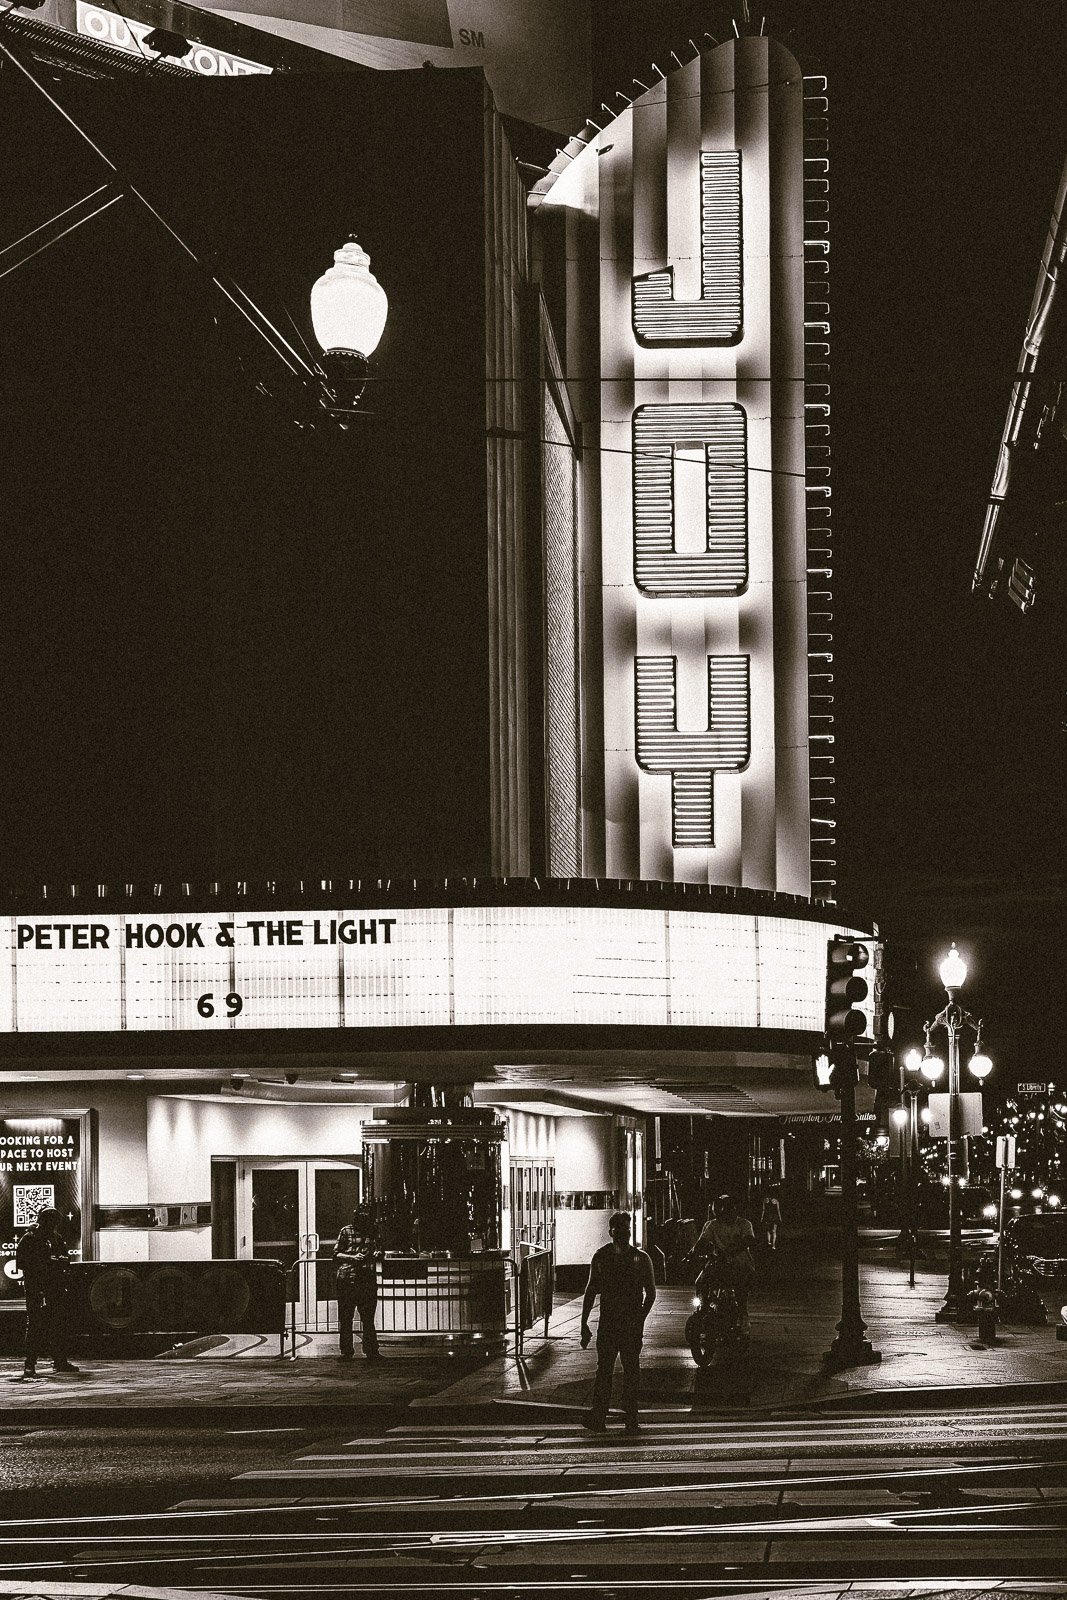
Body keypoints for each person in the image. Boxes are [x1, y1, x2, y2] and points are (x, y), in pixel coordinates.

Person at [579, 1211, 656, 1434]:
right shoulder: (639, 1259)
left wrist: (584, 1323)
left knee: (608, 1370)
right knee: (628, 1370)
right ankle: (628, 1418)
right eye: (622, 1229)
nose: (626, 1233)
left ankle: (603, 1415)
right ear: (612, 1231)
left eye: (627, 1229)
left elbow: (591, 1290)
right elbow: (650, 1293)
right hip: (622, 1323)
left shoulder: (604, 1257)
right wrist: (640, 1318)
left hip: (613, 1322)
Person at [15, 1207, 78, 1378]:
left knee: (58, 1324)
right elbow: (20, 1262)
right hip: (37, 1287)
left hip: (54, 1286)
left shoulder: (56, 1238)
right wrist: (43, 1263)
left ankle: (60, 1361)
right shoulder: (30, 1238)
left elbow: (65, 1258)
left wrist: (58, 1261)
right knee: (35, 1325)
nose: (52, 1225)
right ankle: (30, 1364)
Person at [690, 1193, 756, 1332]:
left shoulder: (744, 1224)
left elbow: (748, 1240)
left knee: (741, 1291)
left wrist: (732, 1251)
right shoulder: (712, 1225)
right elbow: (703, 1241)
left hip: (740, 1265)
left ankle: (743, 1315)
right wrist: (693, 1252)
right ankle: (704, 1308)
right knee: (701, 1281)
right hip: (718, 1264)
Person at [333, 1206, 380, 1360]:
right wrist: (352, 1257)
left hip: (365, 1278)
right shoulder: (346, 1231)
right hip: (349, 1278)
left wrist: (379, 1253)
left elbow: (379, 1250)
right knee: (347, 1318)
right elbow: (336, 1254)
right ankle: (348, 1351)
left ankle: (370, 1350)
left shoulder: (373, 1231)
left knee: (367, 1318)